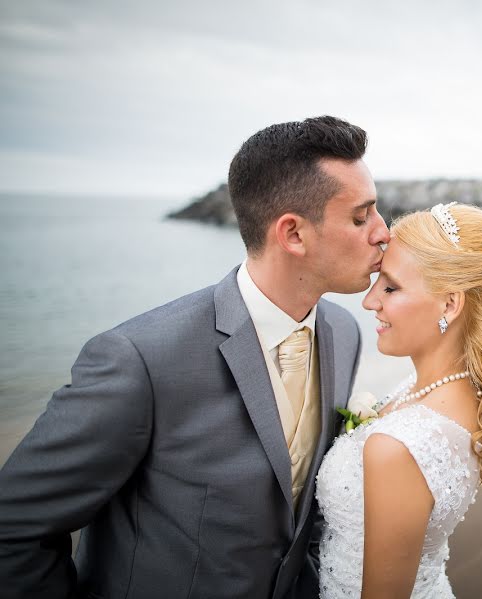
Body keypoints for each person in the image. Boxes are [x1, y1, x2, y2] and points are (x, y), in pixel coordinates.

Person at [0, 116, 390, 598]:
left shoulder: (343, 332)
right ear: (292, 234)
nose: (383, 233)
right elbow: (14, 529)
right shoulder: (140, 360)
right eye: (361, 216)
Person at [315, 202, 482, 598]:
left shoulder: (399, 446)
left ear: (450, 304)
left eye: (390, 286)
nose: (370, 301)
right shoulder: (460, 392)